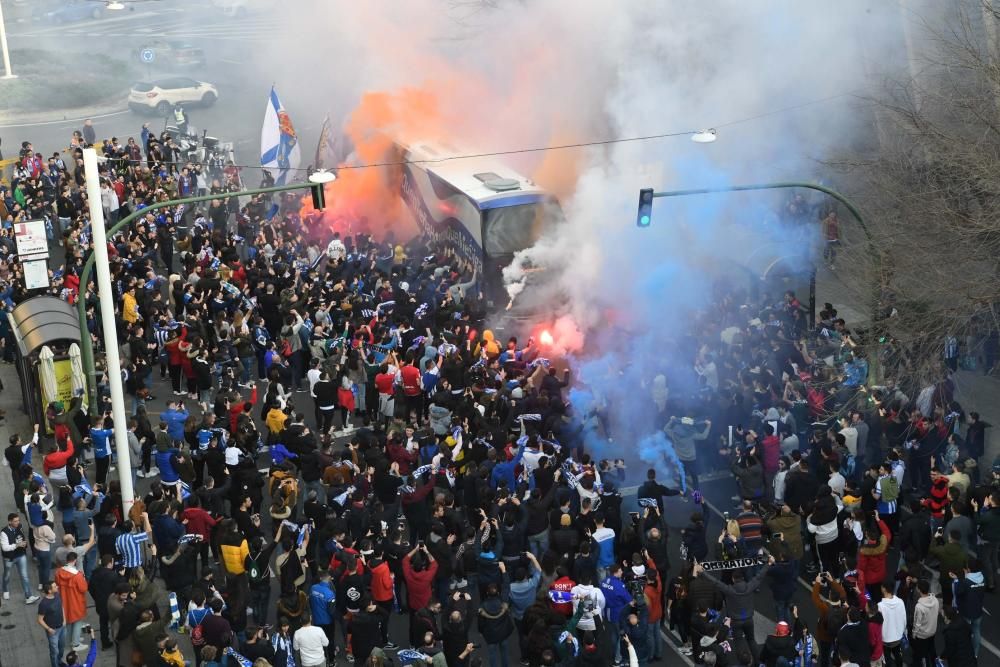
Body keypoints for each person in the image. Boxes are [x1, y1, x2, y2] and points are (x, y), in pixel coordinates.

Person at [1, 512, 39, 603]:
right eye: (15, 521)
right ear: (9, 522)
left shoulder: (19, 526)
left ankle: (28, 596)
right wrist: (17, 545)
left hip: (20, 555)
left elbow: (21, 536)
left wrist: (24, 544)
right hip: (9, 558)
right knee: (7, 575)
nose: (17, 522)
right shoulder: (4, 532)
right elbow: (4, 548)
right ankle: (5, 590)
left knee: (24, 576)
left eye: (18, 520)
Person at [910, 579, 939, 667]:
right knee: (932, 650)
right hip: (932, 631)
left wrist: (914, 634)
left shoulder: (919, 606)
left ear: (919, 590)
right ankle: (935, 664)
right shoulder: (935, 600)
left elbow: (917, 623)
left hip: (922, 635)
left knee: (920, 654)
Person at [38, 580, 65, 667]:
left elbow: (61, 606)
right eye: (55, 586)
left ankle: (59, 661)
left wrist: (64, 619)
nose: (57, 587)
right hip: (53, 631)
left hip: (62, 627)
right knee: (54, 651)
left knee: (61, 648)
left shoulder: (57, 595)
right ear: (49, 591)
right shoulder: (43, 604)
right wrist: (49, 629)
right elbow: (40, 619)